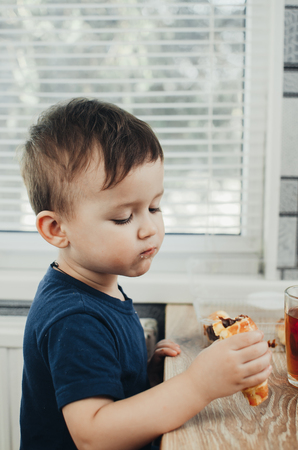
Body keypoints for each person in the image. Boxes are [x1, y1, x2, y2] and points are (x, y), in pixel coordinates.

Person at [19, 98, 272, 450]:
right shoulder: (74, 318)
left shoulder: (98, 287)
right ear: (57, 228)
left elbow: (106, 392)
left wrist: (145, 375)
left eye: (155, 206)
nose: (150, 228)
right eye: (124, 217)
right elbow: (94, 435)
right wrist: (198, 385)